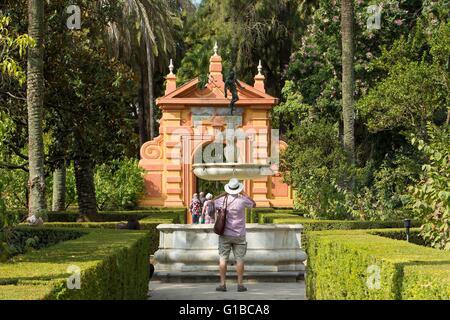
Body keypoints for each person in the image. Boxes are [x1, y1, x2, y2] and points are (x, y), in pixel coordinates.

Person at [214, 178, 256, 292]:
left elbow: (213, 201)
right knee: (240, 259)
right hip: (239, 234)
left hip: (225, 234)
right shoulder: (242, 200)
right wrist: (244, 193)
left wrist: (224, 193)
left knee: (223, 259)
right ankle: (240, 285)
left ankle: (222, 284)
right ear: (238, 189)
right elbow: (253, 204)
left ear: (228, 189)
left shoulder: (221, 200)